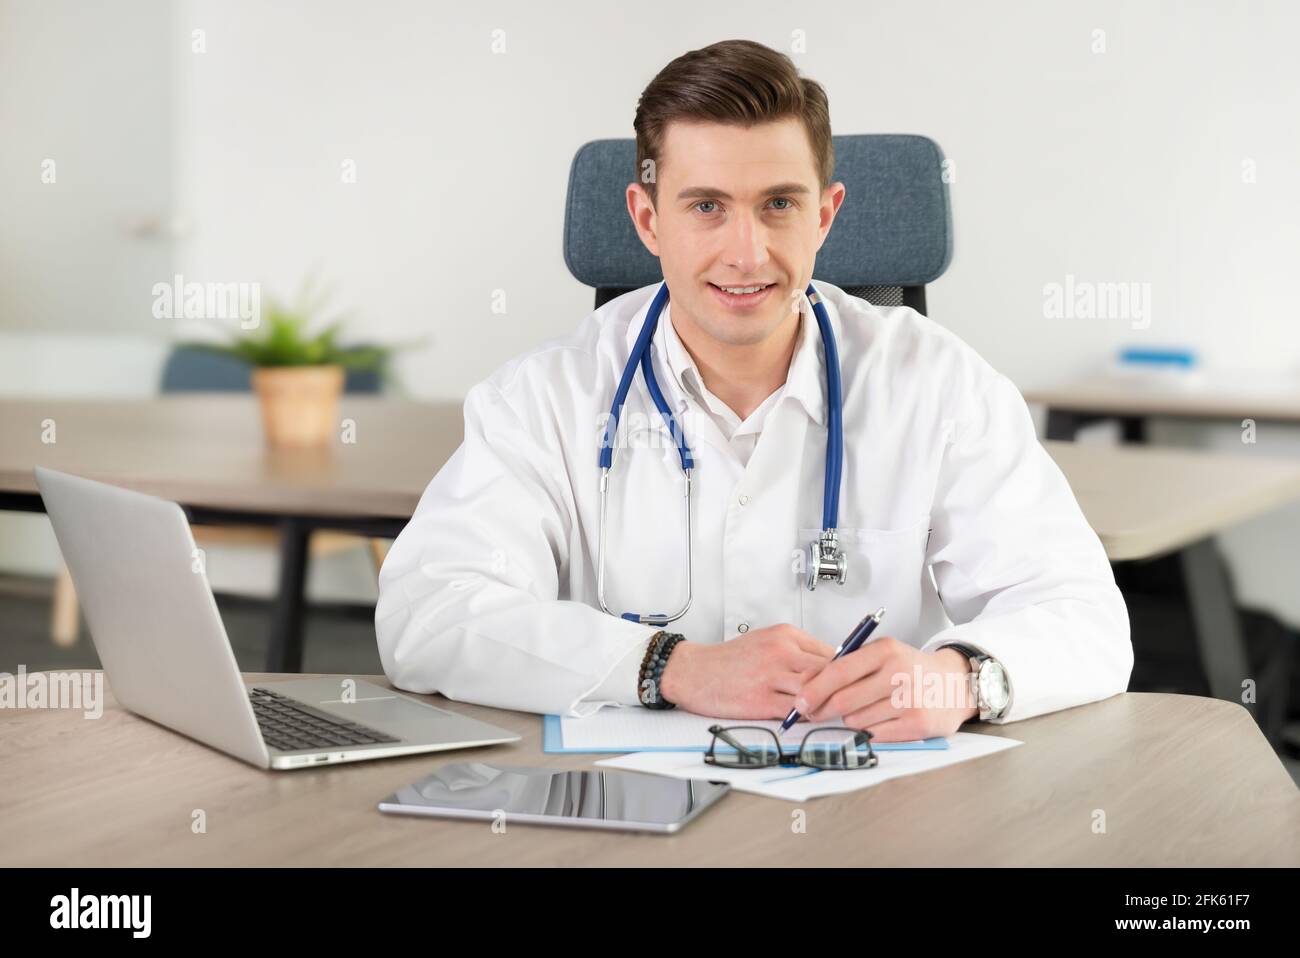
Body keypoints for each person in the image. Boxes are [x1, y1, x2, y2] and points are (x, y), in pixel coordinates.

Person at [375, 39, 1132, 742]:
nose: (747, 252)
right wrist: (671, 667)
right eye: (706, 206)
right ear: (647, 220)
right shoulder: (544, 398)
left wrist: (955, 679)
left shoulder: (936, 383)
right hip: (629, 819)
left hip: (877, 817)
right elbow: (427, 612)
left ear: (825, 215)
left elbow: (1084, 617)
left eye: (778, 204)